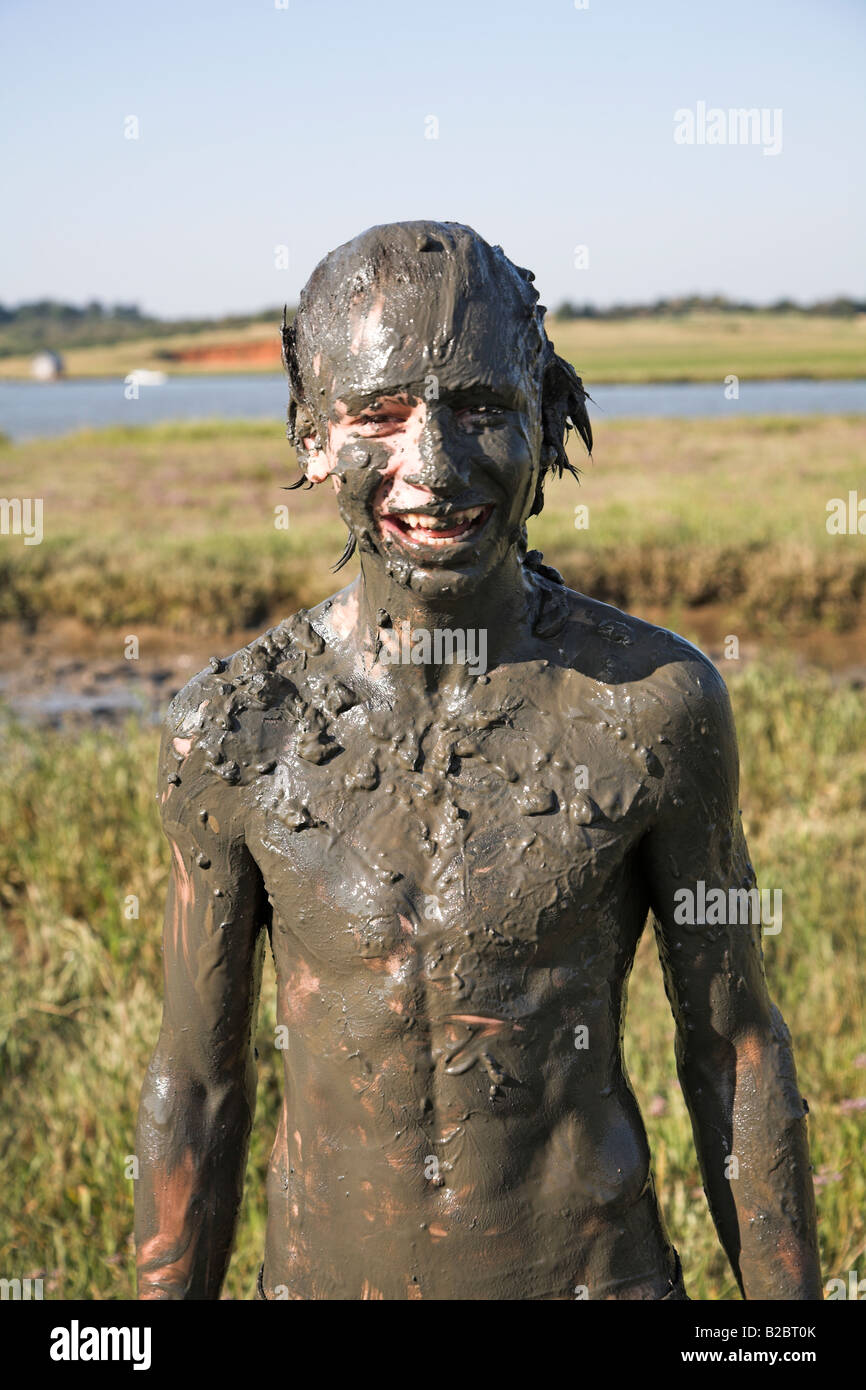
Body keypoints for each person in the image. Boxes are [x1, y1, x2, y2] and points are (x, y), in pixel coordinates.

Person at [135, 221, 821, 1300]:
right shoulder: (232, 730)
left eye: (481, 410)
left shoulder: (653, 704)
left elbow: (732, 1048)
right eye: (380, 413)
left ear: (545, 420)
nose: (434, 467)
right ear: (312, 434)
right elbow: (195, 1086)